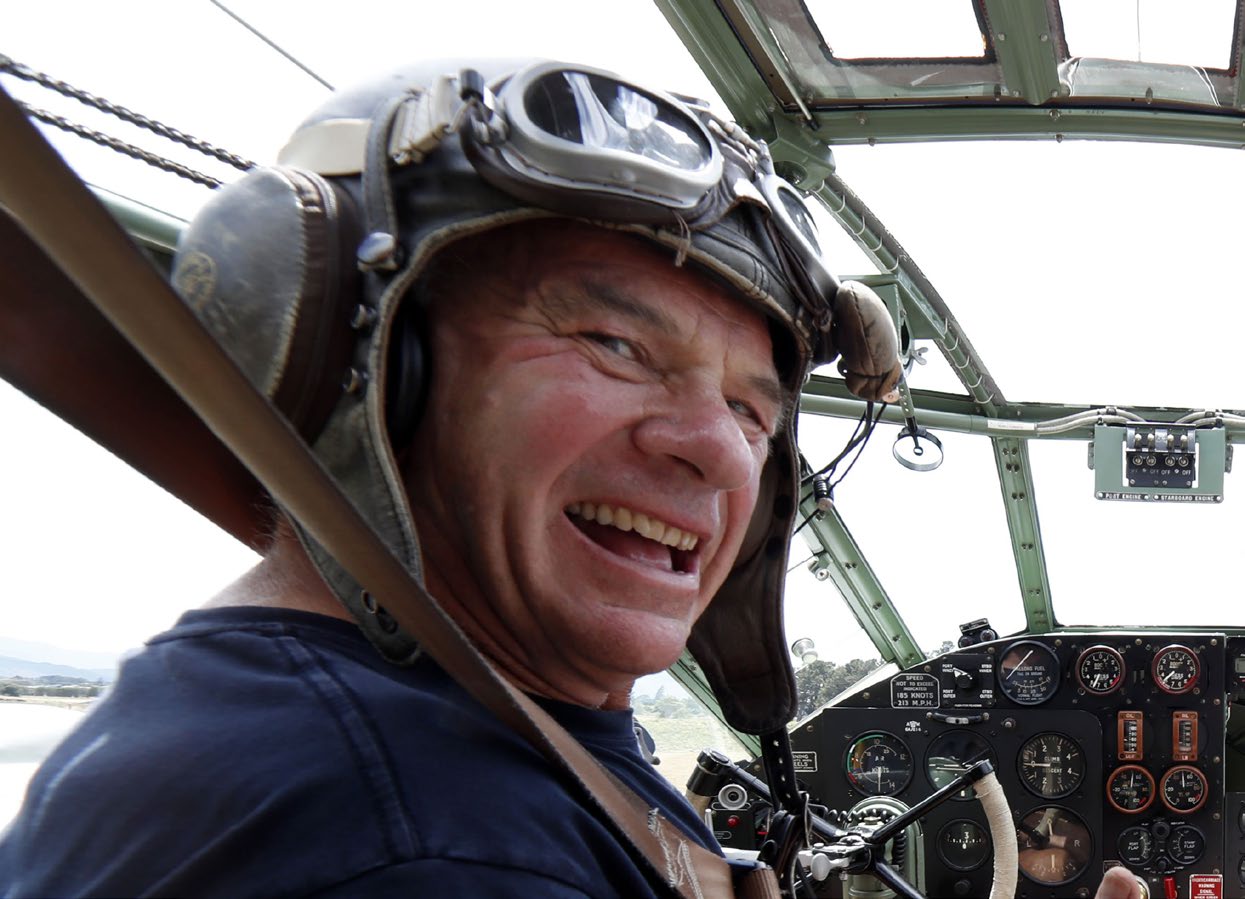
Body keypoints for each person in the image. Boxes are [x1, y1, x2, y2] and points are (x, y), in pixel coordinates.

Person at [0, 61, 1139, 899]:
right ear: (364, 361)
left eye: (755, 408)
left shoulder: (465, 716)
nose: (717, 447)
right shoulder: (411, 840)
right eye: (616, 344)